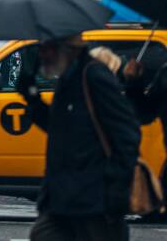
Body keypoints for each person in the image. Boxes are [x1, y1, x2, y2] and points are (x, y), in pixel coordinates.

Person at [21, 35, 140, 241]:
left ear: (66, 48)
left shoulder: (93, 76)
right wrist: (31, 96)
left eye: (47, 48)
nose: (42, 54)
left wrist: (116, 190)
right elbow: (57, 127)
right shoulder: (67, 79)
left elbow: (127, 134)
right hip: (61, 199)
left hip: (94, 199)